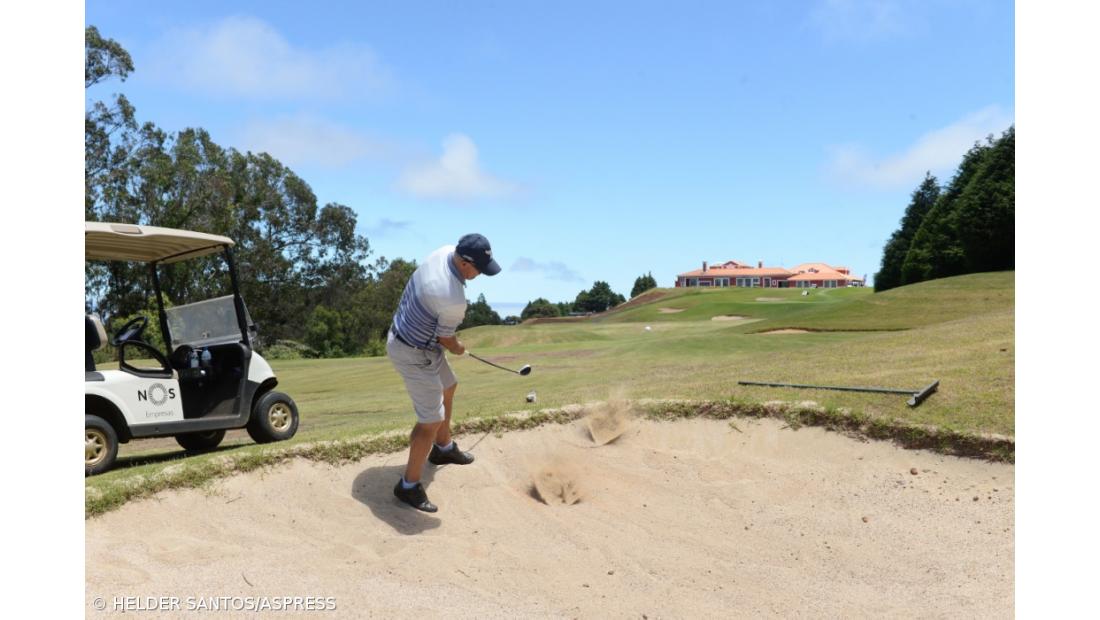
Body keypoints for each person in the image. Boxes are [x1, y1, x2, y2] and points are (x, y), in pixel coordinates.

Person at [387, 233, 501, 512]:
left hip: (415, 337)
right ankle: (408, 486)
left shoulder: (445, 251)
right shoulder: (452, 298)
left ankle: (443, 448)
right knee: (430, 420)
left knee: (449, 386)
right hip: (412, 350)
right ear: (463, 263)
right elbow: (446, 340)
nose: (480, 275)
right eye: (478, 270)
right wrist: (460, 348)